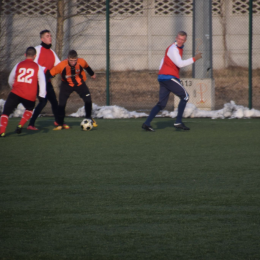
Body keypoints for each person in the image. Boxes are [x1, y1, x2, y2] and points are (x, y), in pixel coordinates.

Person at [142, 31, 202, 132]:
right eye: (179, 39)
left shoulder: (174, 48)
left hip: (163, 78)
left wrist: (161, 74)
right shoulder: (173, 49)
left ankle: (146, 123)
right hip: (169, 77)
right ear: (176, 38)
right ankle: (178, 121)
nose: (180, 41)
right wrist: (194, 59)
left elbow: (163, 60)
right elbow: (180, 64)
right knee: (185, 96)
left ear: (185, 41)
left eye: (182, 40)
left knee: (161, 104)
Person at [27, 29, 69, 130]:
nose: (50, 37)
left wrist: (67, 72)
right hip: (37, 82)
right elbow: (33, 65)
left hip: (47, 82)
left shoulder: (52, 52)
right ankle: (31, 124)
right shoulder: (37, 50)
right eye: (47, 36)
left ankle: (58, 122)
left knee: (54, 102)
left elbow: (59, 66)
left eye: (50, 35)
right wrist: (45, 70)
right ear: (42, 38)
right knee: (43, 102)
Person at [45, 50, 97, 130]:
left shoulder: (81, 61)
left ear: (77, 59)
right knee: (61, 104)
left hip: (79, 84)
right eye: (71, 60)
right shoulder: (61, 65)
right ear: (67, 59)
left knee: (88, 99)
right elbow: (49, 74)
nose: (73, 62)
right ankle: (60, 123)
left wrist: (92, 74)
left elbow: (87, 67)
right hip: (66, 85)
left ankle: (88, 118)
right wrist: (44, 85)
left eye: (75, 60)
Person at [0, 47, 46, 137]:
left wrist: (14, 87)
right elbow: (42, 81)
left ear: (25, 55)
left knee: (6, 112)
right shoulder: (38, 67)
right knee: (29, 110)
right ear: (35, 56)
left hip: (16, 92)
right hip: (29, 95)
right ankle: (20, 124)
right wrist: (41, 95)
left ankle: (2, 131)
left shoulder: (19, 64)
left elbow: (10, 78)